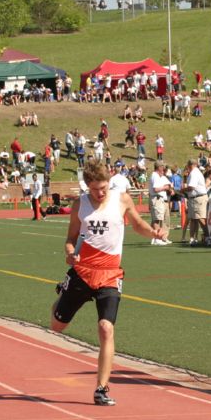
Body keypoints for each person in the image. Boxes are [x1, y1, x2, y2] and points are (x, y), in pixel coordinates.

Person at [51, 161, 168, 406]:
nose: (100, 193)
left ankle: (101, 388)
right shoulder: (80, 205)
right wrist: (71, 253)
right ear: (87, 186)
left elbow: (137, 225)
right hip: (82, 273)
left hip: (110, 274)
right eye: (95, 189)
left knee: (106, 328)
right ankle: (62, 292)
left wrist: (154, 233)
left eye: (103, 187)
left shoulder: (122, 199)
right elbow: (70, 240)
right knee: (57, 326)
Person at [183, 159, 211, 245]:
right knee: (193, 219)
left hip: (198, 198)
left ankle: (207, 237)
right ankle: (192, 238)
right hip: (194, 198)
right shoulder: (196, 172)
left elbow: (191, 187)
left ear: (190, 165)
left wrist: (182, 190)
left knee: (201, 218)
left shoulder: (194, 173)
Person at [148, 161, 173, 246]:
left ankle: (157, 238)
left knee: (158, 219)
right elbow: (156, 189)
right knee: (156, 220)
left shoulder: (157, 176)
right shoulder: (155, 175)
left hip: (158, 199)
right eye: (162, 166)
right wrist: (165, 187)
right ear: (159, 167)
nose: (163, 168)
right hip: (156, 198)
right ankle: (157, 239)